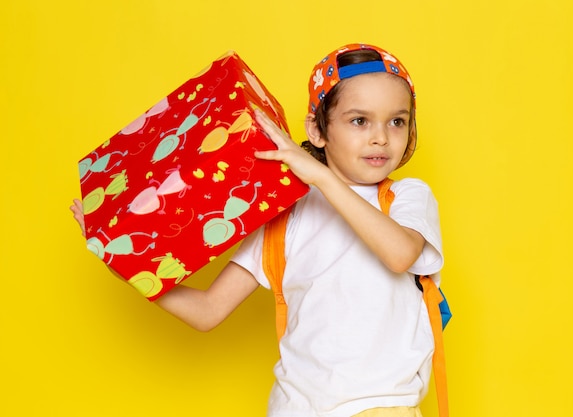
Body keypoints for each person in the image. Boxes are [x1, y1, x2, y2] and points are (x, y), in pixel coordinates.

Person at [70, 43, 444, 417]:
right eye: (359, 121)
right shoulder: (285, 214)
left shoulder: (406, 197)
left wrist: (320, 177)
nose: (381, 137)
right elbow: (208, 310)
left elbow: (399, 255)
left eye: (397, 121)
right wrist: (124, 264)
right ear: (316, 129)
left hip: (381, 406)